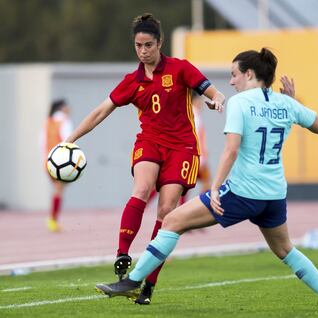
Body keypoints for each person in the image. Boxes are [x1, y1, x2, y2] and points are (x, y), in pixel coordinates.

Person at [95, 48, 318, 312]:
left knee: (171, 221)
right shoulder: (285, 103)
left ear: (249, 74)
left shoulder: (240, 102)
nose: (231, 82)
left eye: (234, 75)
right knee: (286, 250)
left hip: (243, 191)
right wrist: (293, 103)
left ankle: (134, 281)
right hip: (274, 195)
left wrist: (215, 188)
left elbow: (231, 150)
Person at [65, 13, 225, 304]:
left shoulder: (180, 69)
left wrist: (218, 98)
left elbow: (209, 89)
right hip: (150, 142)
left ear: (159, 43)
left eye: (148, 45)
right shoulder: (132, 81)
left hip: (182, 147)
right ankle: (122, 254)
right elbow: (101, 111)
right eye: (138, 45)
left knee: (166, 211)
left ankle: (147, 281)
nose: (143, 51)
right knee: (141, 189)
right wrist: (71, 139)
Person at [41, 99, 73, 232]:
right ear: (62, 107)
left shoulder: (47, 122)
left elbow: (41, 142)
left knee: (57, 190)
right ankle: (53, 220)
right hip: (61, 161)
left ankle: (53, 218)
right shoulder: (64, 121)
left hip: (48, 161)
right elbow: (68, 139)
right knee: (59, 191)